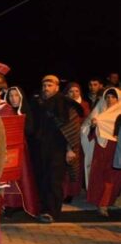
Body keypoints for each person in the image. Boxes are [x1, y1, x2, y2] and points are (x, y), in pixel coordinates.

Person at [30, 75, 81, 223]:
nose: (46, 88)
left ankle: (52, 212)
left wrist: (70, 149)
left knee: (54, 181)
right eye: (44, 85)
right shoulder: (37, 102)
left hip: (58, 149)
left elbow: (72, 128)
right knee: (41, 179)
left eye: (50, 85)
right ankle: (43, 209)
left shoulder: (65, 104)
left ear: (57, 87)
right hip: (39, 149)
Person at [81, 87, 121, 216]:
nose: (110, 100)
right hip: (100, 147)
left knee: (112, 175)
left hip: (115, 148)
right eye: (107, 97)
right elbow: (86, 129)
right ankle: (99, 201)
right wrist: (93, 125)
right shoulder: (99, 111)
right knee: (99, 173)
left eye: (113, 97)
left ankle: (106, 202)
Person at [1, 87, 40, 218]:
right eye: (10, 95)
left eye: (16, 95)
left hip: (21, 149)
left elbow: (31, 131)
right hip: (8, 149)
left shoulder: (27, 112)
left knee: (22, 177)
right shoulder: (6, 111)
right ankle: (9, 204)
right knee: (9, 178)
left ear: (21, 97)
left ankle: (22, 203)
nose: (13, 98)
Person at [63, 82, 90, 202]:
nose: (74, 94)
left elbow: (87, 120)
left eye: (76, 91)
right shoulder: (63, 104)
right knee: (65, 166)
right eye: (71, 91)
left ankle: (73, 191)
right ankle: (65, 191)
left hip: (79, 139)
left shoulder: (84, 104)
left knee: (76, 166)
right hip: (65, 138)